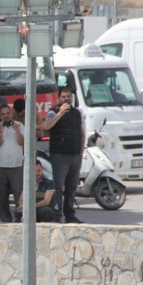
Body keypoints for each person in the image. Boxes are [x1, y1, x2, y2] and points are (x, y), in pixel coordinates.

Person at [43, 87, 85, 224]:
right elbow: (46, 126)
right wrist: (60, 114)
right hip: (60, 156)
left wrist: (81, 150)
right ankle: (57, 215)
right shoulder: (53, 112)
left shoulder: (76, 113)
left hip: (75, 155)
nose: (67, 99)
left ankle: (70, 215)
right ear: (59, 98)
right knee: (58, 187)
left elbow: (81, 131)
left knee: (71, 187)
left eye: (69, 96)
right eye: (64, 97)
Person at [0, 105, 24, 223]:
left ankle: (20, 219)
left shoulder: (19, 125)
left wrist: (18, 132)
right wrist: (1, 132)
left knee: (19, 195)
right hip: (0, 166)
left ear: (11, 113)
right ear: (0, 116)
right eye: (3, 114)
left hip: (16, 165)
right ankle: (5, 220)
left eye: (8, 113)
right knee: (1, 197)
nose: (6, 116)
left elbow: (23, 143)